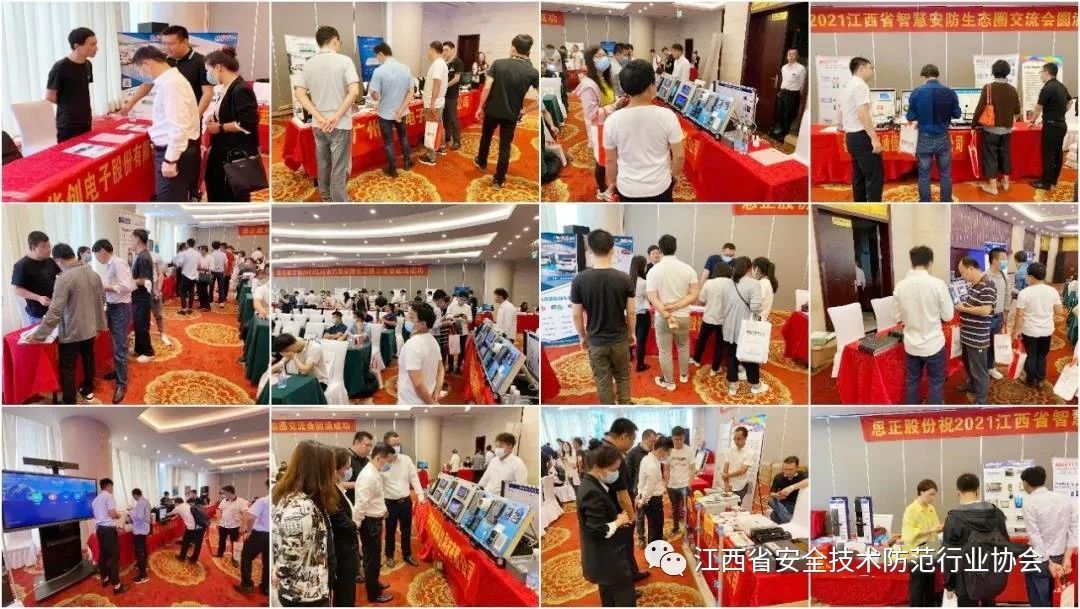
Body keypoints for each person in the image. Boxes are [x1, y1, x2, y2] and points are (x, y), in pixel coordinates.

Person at [24, 243, 106, 404]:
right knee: (88, 359)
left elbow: (55, 312)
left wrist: (39, 335)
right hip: (91, 328)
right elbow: (101, 300)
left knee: (67, 367)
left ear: (59, 261)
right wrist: (99, 326)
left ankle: (69, 400)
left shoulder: (64, 279)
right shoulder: (93, 273)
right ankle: (88, 390)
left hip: (72, 332)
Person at [294, 26, 361, 202]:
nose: (339, 44)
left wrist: (320, 117)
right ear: (334, 40)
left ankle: (326, 197)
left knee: (323, 163)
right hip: (340, 124)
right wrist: (337, 116)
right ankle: (340, 202)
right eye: (339, 41)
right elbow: (354, 91)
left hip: (319, 124)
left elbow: (300, 93)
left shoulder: (308, 64)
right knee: (339, 165)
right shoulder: (345, 61)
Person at [603, 59, 684, 201]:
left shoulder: (612, 120)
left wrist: (612, 182)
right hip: (660, 186)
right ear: (651, 86)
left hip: (627, 188)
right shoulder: (667, 116)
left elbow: (610, 160)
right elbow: (679, 156)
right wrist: (675, 175)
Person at [571, 229, 636, 404]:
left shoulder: (579, 280)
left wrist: (582, 336)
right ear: (612, 250)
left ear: (590, 251)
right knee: (623, 376)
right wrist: (631, 333)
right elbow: (631, 312)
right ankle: (625, 404)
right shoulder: (625, 279)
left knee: (602, 380)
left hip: (596, 340)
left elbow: (576, 315)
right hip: (619, 339)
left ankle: (609, 406)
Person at [131, 45, 200, 202]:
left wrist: (170, 160)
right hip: (176, 150)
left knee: (169, 200)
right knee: (173, 197)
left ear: (146, 64)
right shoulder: (170, 81)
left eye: (139, 71)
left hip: (174, 152)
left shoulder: (171, 84)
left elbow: (179, 126)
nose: (141, 76)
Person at [272, 441, 337, 606]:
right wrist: (278, 573)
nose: (334, 473)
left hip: (311, 583)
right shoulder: (300, 507)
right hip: (304, 593)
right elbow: (290, 557)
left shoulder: (307, 498)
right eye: (331, 468)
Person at [474, 34, 539, 189]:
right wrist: (525, 110)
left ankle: (482, 161)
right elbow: (541, 97)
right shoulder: (532, 72)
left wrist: (480, 107)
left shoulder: (498, 64)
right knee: (505, 146)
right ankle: (499, 179)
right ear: (528, 51)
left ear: (513, 48)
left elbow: (487, 87)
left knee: (486, 137)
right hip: (511, 114)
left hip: (492, 111)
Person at [894, 246, 954, 404]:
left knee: (912, 380)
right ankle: (932, 413)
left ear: (912, 262)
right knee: (936, 381)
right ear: (930, 263)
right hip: (933, 344)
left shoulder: (900, 286)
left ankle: (912, 413)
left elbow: (897, 318)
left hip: (911, 344)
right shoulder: (938, 284)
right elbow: (948, 316)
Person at [577, 442, 635, 608]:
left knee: (609, 597)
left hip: (603, 559)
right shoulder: (591, 491)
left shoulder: (593, 484)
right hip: (608, 559)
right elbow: (598, 531)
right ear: (598, 467)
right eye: (613, 469)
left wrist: (614, 520)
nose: (616, 474)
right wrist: (618, 521)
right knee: (625, 598)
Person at [942, 473, 1010, 607]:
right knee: (989, 603)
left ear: (958, 493)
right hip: (991, 573)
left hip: (964, 579)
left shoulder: (954, 519)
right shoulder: (996, 513)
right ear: (978, 490)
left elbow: (948, 554)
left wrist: (949, 584)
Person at [203, 48, 261, 201]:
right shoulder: (225, 88)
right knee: (215, 184)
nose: (208, 75)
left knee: (234, 190)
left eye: (208, 70)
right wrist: (213, 117)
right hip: (222, 147)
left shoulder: (240, 89)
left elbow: (248, 123)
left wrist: (220, 127)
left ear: (218, 67)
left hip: (235, 151)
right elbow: (226, 112)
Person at [1019, 465, 1077, 607]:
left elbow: (1035, 538)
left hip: (1039, 559)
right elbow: (1074, 528)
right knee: (1057, 597)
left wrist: (1048, 563)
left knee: (1039, 599)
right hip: (1060, 556)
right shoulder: (1064, 499)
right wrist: (1067, 557)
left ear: (1026, 483)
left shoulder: (1029, 503)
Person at [905, 64, 961, 202]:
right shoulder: (950, 92)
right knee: (945, 174)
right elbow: (957, 114)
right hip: (943, 137)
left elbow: (910, 116)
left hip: (924, 138)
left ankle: (925, 202)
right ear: (937, 75)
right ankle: (946, 201)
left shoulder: (916, 92)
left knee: (924, 175)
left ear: (924, 76)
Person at [574, 45, 621, 201]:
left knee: (611, 158)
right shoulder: (588, 85)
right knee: (601, 161)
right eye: (598, 56)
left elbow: (608, 99)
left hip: (610, 124)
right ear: (590, 60)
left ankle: (612, 186)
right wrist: (614, 106)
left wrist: (617, 102)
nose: (603, 59)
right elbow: (592, 114)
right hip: (599, 128)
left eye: (604, 55)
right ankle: (602, 190)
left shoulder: (603, 79)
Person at [92, 240, 133, 403]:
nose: (96, 259)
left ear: (102, 250)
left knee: (119, 346)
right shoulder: (111, 265)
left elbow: (127, 287)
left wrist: (104, 287)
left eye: (96, 255)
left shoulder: (118, 263)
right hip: (113, 307)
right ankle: (118, 372)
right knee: (115, 343)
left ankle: (121, 384)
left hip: (120, 308)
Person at [973, 60, 1022, 195]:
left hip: (991, 129)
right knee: (1005, 154)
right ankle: (1006, 183)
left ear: (993, 72)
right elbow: (1017, 110)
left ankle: (993, 187)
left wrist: (973, 125)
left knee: (991, 155)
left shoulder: (988, 88)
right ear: (1007, 72)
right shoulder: (1012, 89)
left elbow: (980, 108)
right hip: (1007, 129)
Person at [355, 443, 396, 604]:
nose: (387, 465)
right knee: (371, 559)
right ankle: (373, 594)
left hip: (375, 520)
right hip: (370, 523)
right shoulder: (368, 476)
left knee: (375, 556)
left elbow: (377, 496)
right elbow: (361, 504)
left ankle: (374, 582)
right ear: (379, 458)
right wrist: (356, 527)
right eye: (387, 461)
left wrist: (383, 509)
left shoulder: (375, 471)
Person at [1013, 262, 1065, 388]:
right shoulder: (1052, 291)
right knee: (1042, 355)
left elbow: (1019, 315)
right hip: (1046, 330)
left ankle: (1030, 380)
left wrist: (1016, 331)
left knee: (1031, 355)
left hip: (1029, 330)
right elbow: (1059, 311)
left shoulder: (1024, 293)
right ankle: (1040, 380)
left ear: (1031, 277)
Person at [720, 257, 767, 396]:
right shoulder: (753, 283)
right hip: (745, 326)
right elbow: (755, 307)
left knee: (731, 354)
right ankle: (755, 385)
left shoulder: (727, 283)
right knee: (750, 355)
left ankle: (732, 385)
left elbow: (723, 303)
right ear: (750, 268)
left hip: (728, 325)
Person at [954, 257, 997, 404]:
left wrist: (963, 309)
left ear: (971, 268)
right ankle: (972, 385)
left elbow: (986, 310)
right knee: (968, 363)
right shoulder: (974, 284)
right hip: (968, 335)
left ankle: (981, 400)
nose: (962, 276)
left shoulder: (988, 284)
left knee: (979, 369)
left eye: (963, 272)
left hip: (977, 337)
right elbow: (973, 304)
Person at [841, 57, 883, 202]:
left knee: (858, 176)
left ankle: (860, 204)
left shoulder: (849, 85)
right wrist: (874, 139)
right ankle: (874, 208)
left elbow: (843, 112)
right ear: (861, 68)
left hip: (852, 136)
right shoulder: (860, 86)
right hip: (862, 137)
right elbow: (862, 114)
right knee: (874, 176)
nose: (872, 72)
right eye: (870, 68)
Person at [369, 43, 413, 178]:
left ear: (381, 54)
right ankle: (407, 162)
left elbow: (375, 96)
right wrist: (400, 110)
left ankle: (393, 169)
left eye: (377, 57)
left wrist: (372, 93)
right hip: (401, 112)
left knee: (388, 142)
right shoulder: (406, 68)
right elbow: (410, 92)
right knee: (403, 137)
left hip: (385, 113)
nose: (378, 59)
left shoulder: (378, 71)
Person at [382, 431, 425, 568]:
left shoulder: (406, 460)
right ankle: (389, 555)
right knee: (390, 531)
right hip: (389, 503)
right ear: (386, 446)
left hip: (405, 502)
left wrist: (420, 495)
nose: (396, 447)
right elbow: (377, 484)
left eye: (398, 444)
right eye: (393, 445)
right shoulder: (382, 462)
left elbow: (414, 478)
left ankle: (407, 554)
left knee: (406, 530)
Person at [1028, 62, 1073, 190]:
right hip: (1061, 124)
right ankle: (1053, 180)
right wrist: (1061, 113)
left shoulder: (1047, 88)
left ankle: (1046, 182)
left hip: (1051, 126)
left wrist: (1031, 121)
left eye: (1041, 72)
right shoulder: (1061, 86)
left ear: (1047, 72)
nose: (1040, 75)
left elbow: (1038, 108)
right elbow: (1070, 101)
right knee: (1058, 153)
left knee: (1048, 154)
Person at [47, 27, 97, 141]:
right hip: (68, 124)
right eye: (92, 44)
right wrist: (69, 105)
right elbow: (50, 97)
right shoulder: (60, 68)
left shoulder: (88, 65)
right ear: (76, 46)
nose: (96, 48)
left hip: (85, 120)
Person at [901, 479, 944, 607]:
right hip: (916, 552)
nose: (932, 498)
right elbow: (908, 533)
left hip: (930, 551)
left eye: (934, 495)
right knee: (917, 586)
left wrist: (941, 528)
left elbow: (935, 527)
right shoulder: (911, 510)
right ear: (921, 492)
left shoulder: (931, 508)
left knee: (929, 584)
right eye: (930, 494)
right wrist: (930, 530)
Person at [327, 448, 359, 606]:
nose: (348, 470)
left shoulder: (336, 486)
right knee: (344, 586)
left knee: (347, 585)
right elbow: (339, 520)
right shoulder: (330, 490)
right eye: (346, 467)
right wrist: (355, 525)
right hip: (342, 547)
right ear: (335, 468)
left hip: (347, 544)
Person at [396, 302, 444, 405]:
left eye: (411, 317)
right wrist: (436, 393)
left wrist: (432, 404)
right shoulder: (433, 340)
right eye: (408, 315)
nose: (407, 319)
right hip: (424, 400)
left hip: (410, 405)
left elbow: (418, 384)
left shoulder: (412, 344)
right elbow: (441, 370)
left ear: (422, 324)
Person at [12, 231, 61, 326]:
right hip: (38, 314)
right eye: (44, 247)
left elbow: (62, 275)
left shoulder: (50, 261)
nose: (48, 250)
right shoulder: (21, 266)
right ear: (33, 248)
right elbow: (16, 289)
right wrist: (39, 298)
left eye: (49, 246)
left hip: (55, 309)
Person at [693, 261, 732, 375]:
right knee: (720, 344)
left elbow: (701, 300)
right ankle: (715, 368)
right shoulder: (732, 284)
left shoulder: (709, 283)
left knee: (702, 340)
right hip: (724, 320)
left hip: (709, 317)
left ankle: (696, 360)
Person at [635, 435, 672, 544]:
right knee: (656, 528)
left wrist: (639, 495)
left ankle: (655, 546)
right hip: (653, 500)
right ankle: (654, 550)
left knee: (654, 526)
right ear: (662, 450)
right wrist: (643, 501)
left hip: (648, 497)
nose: (668, 456)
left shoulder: (647, 458)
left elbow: (642, 481)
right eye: (668, 453)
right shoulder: (652, 466)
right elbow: (649, 488)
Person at [236, 479, 270, 596]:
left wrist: (248, 530)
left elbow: (249, 517)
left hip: (259, 535)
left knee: (246, 557)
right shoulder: (283, 500)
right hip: (274, 536)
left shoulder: (263, 501)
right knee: (268, 562)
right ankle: (266, 588)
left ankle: (247, 585)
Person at [92, 478, 126, 595]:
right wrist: (119, 515)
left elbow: (96, 516)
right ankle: (117, 586)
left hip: (99, 530)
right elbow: (112, 514)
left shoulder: (95, 500)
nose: (112, 489)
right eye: (112, 487)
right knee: (113, 557)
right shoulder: (109, 496)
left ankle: (105, 579)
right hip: (108, 531)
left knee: (103, 555)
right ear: (108, 486)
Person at [419, 41, 448, 166]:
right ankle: (442, 147)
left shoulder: (437, 64)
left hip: (434, 103)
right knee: (439, 125)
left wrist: (432, 102)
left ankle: (430, 157)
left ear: (432, 50)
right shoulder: (441, 63)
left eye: (428, 50)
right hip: (438, 102)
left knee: (431, 129)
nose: (427, 53)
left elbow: (437, 84)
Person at [625, 429, 656, 548]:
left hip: (653, 490)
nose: (653, 444)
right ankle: (641, 537)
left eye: (654, 441)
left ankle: (654, 536)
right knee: (640, 516)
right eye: (651, 441)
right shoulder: (632, 454)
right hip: (639, 491)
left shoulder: (653, 452)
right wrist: (633, 492)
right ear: (644, 439)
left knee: (653, 515)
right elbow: (628, 474)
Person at [130, 229, 156, 364]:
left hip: (142, 298)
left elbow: (144, 280)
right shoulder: (140, 255)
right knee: (138, 324)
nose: (130, 242)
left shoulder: (143, 257)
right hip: (138, 297)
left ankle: (148, 352)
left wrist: (129, 282)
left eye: (132, 238)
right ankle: (139, 349)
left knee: (142, 326)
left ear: (138, 239)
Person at [986, 248, 1011, 380]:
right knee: (983, 345)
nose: (1005, 261)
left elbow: (1007, 295)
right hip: (986, 318)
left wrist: (1006, 312)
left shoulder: (1004, 276)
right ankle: (982, 370)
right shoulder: (984, 277)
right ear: (994, 260)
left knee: (994, 344)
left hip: (999, 316)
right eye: (1003, 259)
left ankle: (991, 367)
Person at [666, 427, 696, 535]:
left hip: (684, 485)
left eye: (681, 439)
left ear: (684, 438)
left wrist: (689, 484)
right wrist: (667, 484)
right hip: (672, 485)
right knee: (675, 508)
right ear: (672, 438)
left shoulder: (689, 450)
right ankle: (675, 527)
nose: (679, 442)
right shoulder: (668, 450)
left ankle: (688, 527)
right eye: (676, 439)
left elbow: (692, 469)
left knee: (687, 508)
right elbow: (666, 469)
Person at [772, 49, 806, 140]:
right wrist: (780, 91)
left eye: (793, 54)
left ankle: (784, 135)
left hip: (792, 94)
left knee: (788, 115)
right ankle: (781, 131)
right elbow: (784, 81)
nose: (790, 56)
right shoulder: (784, 68)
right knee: (780, 113)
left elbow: (802, 84)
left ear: (797, 56)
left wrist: (798, 95)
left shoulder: (801, 68)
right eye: (789, 54)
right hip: (783, 92)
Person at [718, 426, 756, 502]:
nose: (736, 441)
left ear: (745, 438)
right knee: (726, 505)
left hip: (740, 486)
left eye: (738, 439)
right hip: (728, 484)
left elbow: (742, 470)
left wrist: (727, 475)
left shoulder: (750, 452)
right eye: (734, 438)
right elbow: (726, 467)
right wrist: (726, 484)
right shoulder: (730, 450)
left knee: (736, 506)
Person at [767, 456, 807, 525]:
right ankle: (789, 522)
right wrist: (777, 495)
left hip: (795, 504)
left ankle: (788, 522)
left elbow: (808, 481)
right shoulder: (778, 477)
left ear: (797, 468)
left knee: (774, 516)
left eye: (791, 469)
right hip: (782, 502)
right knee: (770, 500)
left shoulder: (802, 475)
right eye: (785, 469)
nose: (788, 472)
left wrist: (791, 488)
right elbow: (771, 492)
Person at [628, 255, 652, 372]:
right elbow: (650, 298)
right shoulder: (643, 283)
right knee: (641, 341)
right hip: (642, 315)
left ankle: (628, 358)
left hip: (629, 314)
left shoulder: (626, 281)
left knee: (630, 337)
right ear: (642, 267)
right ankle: (640, 365)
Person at [442, 41, 464, 151]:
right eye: (443, 50)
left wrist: (444, 86)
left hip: (451, 95)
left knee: (453, 118)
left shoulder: (458, 62)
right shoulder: (444, 63)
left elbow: (456, 78)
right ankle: (447, 137)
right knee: (445, 118)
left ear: (453, 50)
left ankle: (457, 141)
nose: (444, 52)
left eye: (446, 49)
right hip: (443, 95)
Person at [215, 485, 249, 559]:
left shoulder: (241, 501)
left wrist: (243, 527)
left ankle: (235, 558)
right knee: (221, 541)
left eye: (224, 493)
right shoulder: (224, 501)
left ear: (229, 492)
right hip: (223, 525)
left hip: (234, 526)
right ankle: (220, 553)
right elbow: (219, 510)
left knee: (234, 542)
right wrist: (218, 522)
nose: (223, 495)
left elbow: (245, 514)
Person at [129, 488, 151, 584]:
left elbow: (139, 516)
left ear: (135, 495)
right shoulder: (145, 501)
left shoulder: (140, 502)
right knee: (143, 549)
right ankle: (143, 565)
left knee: (140, 551)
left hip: (140, 529)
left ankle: (143, 575)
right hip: (144, 529)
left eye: (133, 496)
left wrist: (131, 514)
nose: (134, 498)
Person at [177, 496, 208, 563]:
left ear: (191, 503)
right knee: (198, 545)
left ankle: (182, 556)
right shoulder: (201, 508)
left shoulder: (192, 509)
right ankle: (194, 559)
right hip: (202, 528)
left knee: (185, 542)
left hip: (193, 529)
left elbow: (190, 520)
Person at [752, 257, 777, 321]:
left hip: (757, 320)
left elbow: (756, 304)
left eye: (753, 269)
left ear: (757, 269)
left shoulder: (762, 283)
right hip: (761, 319)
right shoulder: (767, 282)